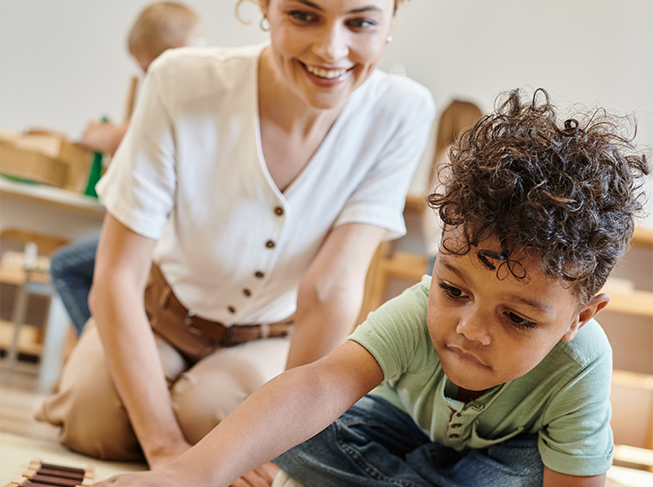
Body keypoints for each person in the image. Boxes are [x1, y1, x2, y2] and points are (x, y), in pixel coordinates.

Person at [94, 88, 648, 487]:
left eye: (519, 319)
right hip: (397, 429)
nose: (469, 329)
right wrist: (191, 473)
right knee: (294, 429)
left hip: (497, 463)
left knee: (519, 475)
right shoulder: (414, 313)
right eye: (454, 290)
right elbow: (315, 388)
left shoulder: (580, 366)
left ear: (580, 318)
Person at [39, 0, 435, 484]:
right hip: (157, 316)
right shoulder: (181, 79)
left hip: (268, 337)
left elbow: (331, 288)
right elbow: (117, 277)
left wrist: (287, 449)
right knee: (92, 418)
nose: (331, 49)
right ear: (266, 7)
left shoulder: (402, 111)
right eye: (304, 16)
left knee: (210, 416)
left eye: (361, 22)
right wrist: (164, 449)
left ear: (392, 20)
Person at [49, 2, 207, 336]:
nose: (148, 77)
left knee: (65, 266)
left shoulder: (188, 84)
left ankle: (106, 346)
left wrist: (101, 136)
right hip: (178, 231)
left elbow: (136, 138)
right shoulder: (214, 85)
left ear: (172, 55)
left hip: (171, 235)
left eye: (149, 68)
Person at [422, 99, 482, 274]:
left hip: (439, 246)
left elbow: (434, 208)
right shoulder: (462, 158)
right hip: (456, 249)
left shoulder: (447, 155)